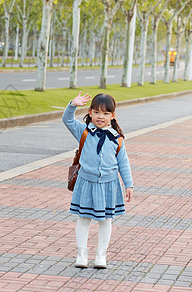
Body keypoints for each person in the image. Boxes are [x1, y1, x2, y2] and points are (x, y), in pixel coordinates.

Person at [62, 92, 133, 269]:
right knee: (84, 218)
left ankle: (101, 255)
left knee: (106, 220)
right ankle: (81, 254)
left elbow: (123, 163)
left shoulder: (117, 139)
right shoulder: (84, 132)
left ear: (112, 116)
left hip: (109, 185)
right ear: (90, 112)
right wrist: (72, 104)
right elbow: (67, 120)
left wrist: (128, 184)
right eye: (96, 112)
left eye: (106, 113)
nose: (100, 116)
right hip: (86, 182)